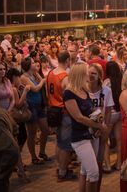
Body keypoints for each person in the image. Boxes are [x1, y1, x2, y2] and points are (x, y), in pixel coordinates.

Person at [64, 63, 106, 192]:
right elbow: (78, 117)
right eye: (87, 72)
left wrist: (99, 118)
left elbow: (90, 109)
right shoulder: (69, 92)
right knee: (93, 174)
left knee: (85, 170)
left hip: (90, 134)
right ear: (80, 74)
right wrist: (99, 125)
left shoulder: (83, 89)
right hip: (79, 137)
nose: (88, 74)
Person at [47, 50, 78, 181]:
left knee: (59, 142)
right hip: (64, 112)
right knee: (66, 145)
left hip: (53, 110)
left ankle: (60, 167)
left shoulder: (50, 73)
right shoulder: (64, 76)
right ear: (67, 61)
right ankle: (63, 172)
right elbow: (70, 96)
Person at [87, 63, 114, 190]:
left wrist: (106, 129)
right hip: (86, 130)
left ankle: (97, 188)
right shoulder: (83, 90)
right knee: (87, 165)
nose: (90, 75)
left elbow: (108, 111)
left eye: (94, 73)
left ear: (99, 76)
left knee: (98, 162)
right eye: (89, 72)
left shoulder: (106, 91)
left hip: (100, 129)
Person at [20, 57, 50, 165]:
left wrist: (39, 76)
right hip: (31, 106)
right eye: (33, 63)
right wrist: (42, 81)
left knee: (45, 130)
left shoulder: (34, 74)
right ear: (28, 65)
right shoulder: (24, 77)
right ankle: (33, 156)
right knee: (32, 134)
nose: (35, 64)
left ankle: (42, 151)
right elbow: (36, 88)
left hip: (40, 105)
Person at [6, 68, 31, 183]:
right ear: (15, 77)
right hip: (15, 118)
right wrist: (25, 92)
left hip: (12, 118)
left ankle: (16, 162)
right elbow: (18, 104)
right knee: (20, 138)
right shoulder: (14, 89)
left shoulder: (10, 87)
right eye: (18, 77)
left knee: (21, 138)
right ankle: (16, 163)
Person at [103, 61, 123, 172]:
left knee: (105, 140)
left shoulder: (106, 82)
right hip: (120, 112)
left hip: (110, 113)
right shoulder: (122, 81)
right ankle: (119, 163)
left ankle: (107, 165)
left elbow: (104, 99)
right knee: (119, 140)